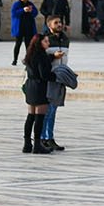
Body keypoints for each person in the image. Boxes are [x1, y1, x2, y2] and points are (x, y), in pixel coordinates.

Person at [40, 19, 70, 152]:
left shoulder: (65, 39)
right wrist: (53, 57)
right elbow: (39, 60)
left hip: (60, 79)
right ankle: (42, 138)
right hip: (49, 79)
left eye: (60, 22)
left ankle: (50, 138)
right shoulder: (45, 40)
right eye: (56, 22)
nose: (59, 25)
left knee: (53, 111)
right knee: (47, 111)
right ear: (49, 25)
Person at [23, 33, 54, 154]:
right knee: (39, 118)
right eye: (46, 41)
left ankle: (27, 144)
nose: (48, 43)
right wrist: (57, 76)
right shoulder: (42, 56)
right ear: (39, 43)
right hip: (40, 87)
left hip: (30, 86)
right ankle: (37, 145)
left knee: (30, 116)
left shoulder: (30, 55)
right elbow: (44, 74)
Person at [10, 0, 38, 65]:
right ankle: (15, 60)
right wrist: (23, 10)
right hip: (20, 28)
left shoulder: (30, 4)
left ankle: (28, 60)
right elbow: (14, 14)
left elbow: (35, 13)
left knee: (28, 45)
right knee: (18, 44)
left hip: (28, 28)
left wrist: (31, 10)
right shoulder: (16, 4)